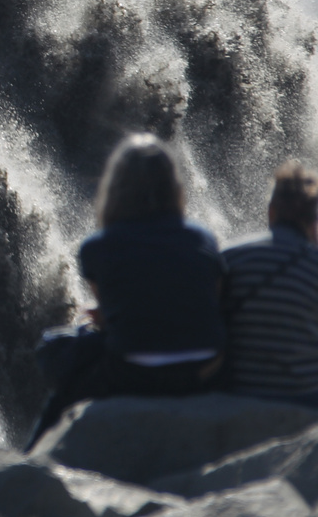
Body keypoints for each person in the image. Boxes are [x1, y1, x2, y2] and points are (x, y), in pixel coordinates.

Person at [27, 134, 226, 447]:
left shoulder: (97, 247)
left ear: (114, 189)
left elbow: (116, 311)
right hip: (205, 368)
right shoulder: (202, 238)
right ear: (174, 189)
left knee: (53, 350)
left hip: (132, 371)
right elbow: (209, 297)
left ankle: (34, 457)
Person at [222, 161, 318, 410]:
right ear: (316, 220)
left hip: (240, 385)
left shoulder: (230, 256)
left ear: (272, 211)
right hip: (308, 393)